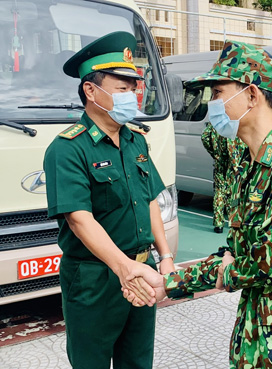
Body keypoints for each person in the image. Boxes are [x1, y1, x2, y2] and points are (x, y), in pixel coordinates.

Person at [123, 40, 272, 368]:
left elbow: (270, 261)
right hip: (264, 327)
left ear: (251, 94)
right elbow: (237, 251)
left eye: (218, 93)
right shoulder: (251, 160)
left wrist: (177, 282)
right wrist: (167, 282)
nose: (212, 104)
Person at [43, 31, 175, 369]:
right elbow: (78, 219)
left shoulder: (136, 141)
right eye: (122, 88)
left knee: (138, 361)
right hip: (94, 279)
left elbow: (149, 202)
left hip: (141, 269)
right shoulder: (68, 148)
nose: (133, 95)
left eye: (134, 88)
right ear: (91, 90)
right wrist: (123, 267)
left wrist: (165, 257)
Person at [201, 123, 246, 232]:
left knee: (219, 190)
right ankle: (232, 220)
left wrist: (214, 152)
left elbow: (205, 137)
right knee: (233, 191)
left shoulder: (217, 121)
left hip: (220, 159)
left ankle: (218, 223)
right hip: (234, 162)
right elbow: (244, 142)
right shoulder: (236, 121)